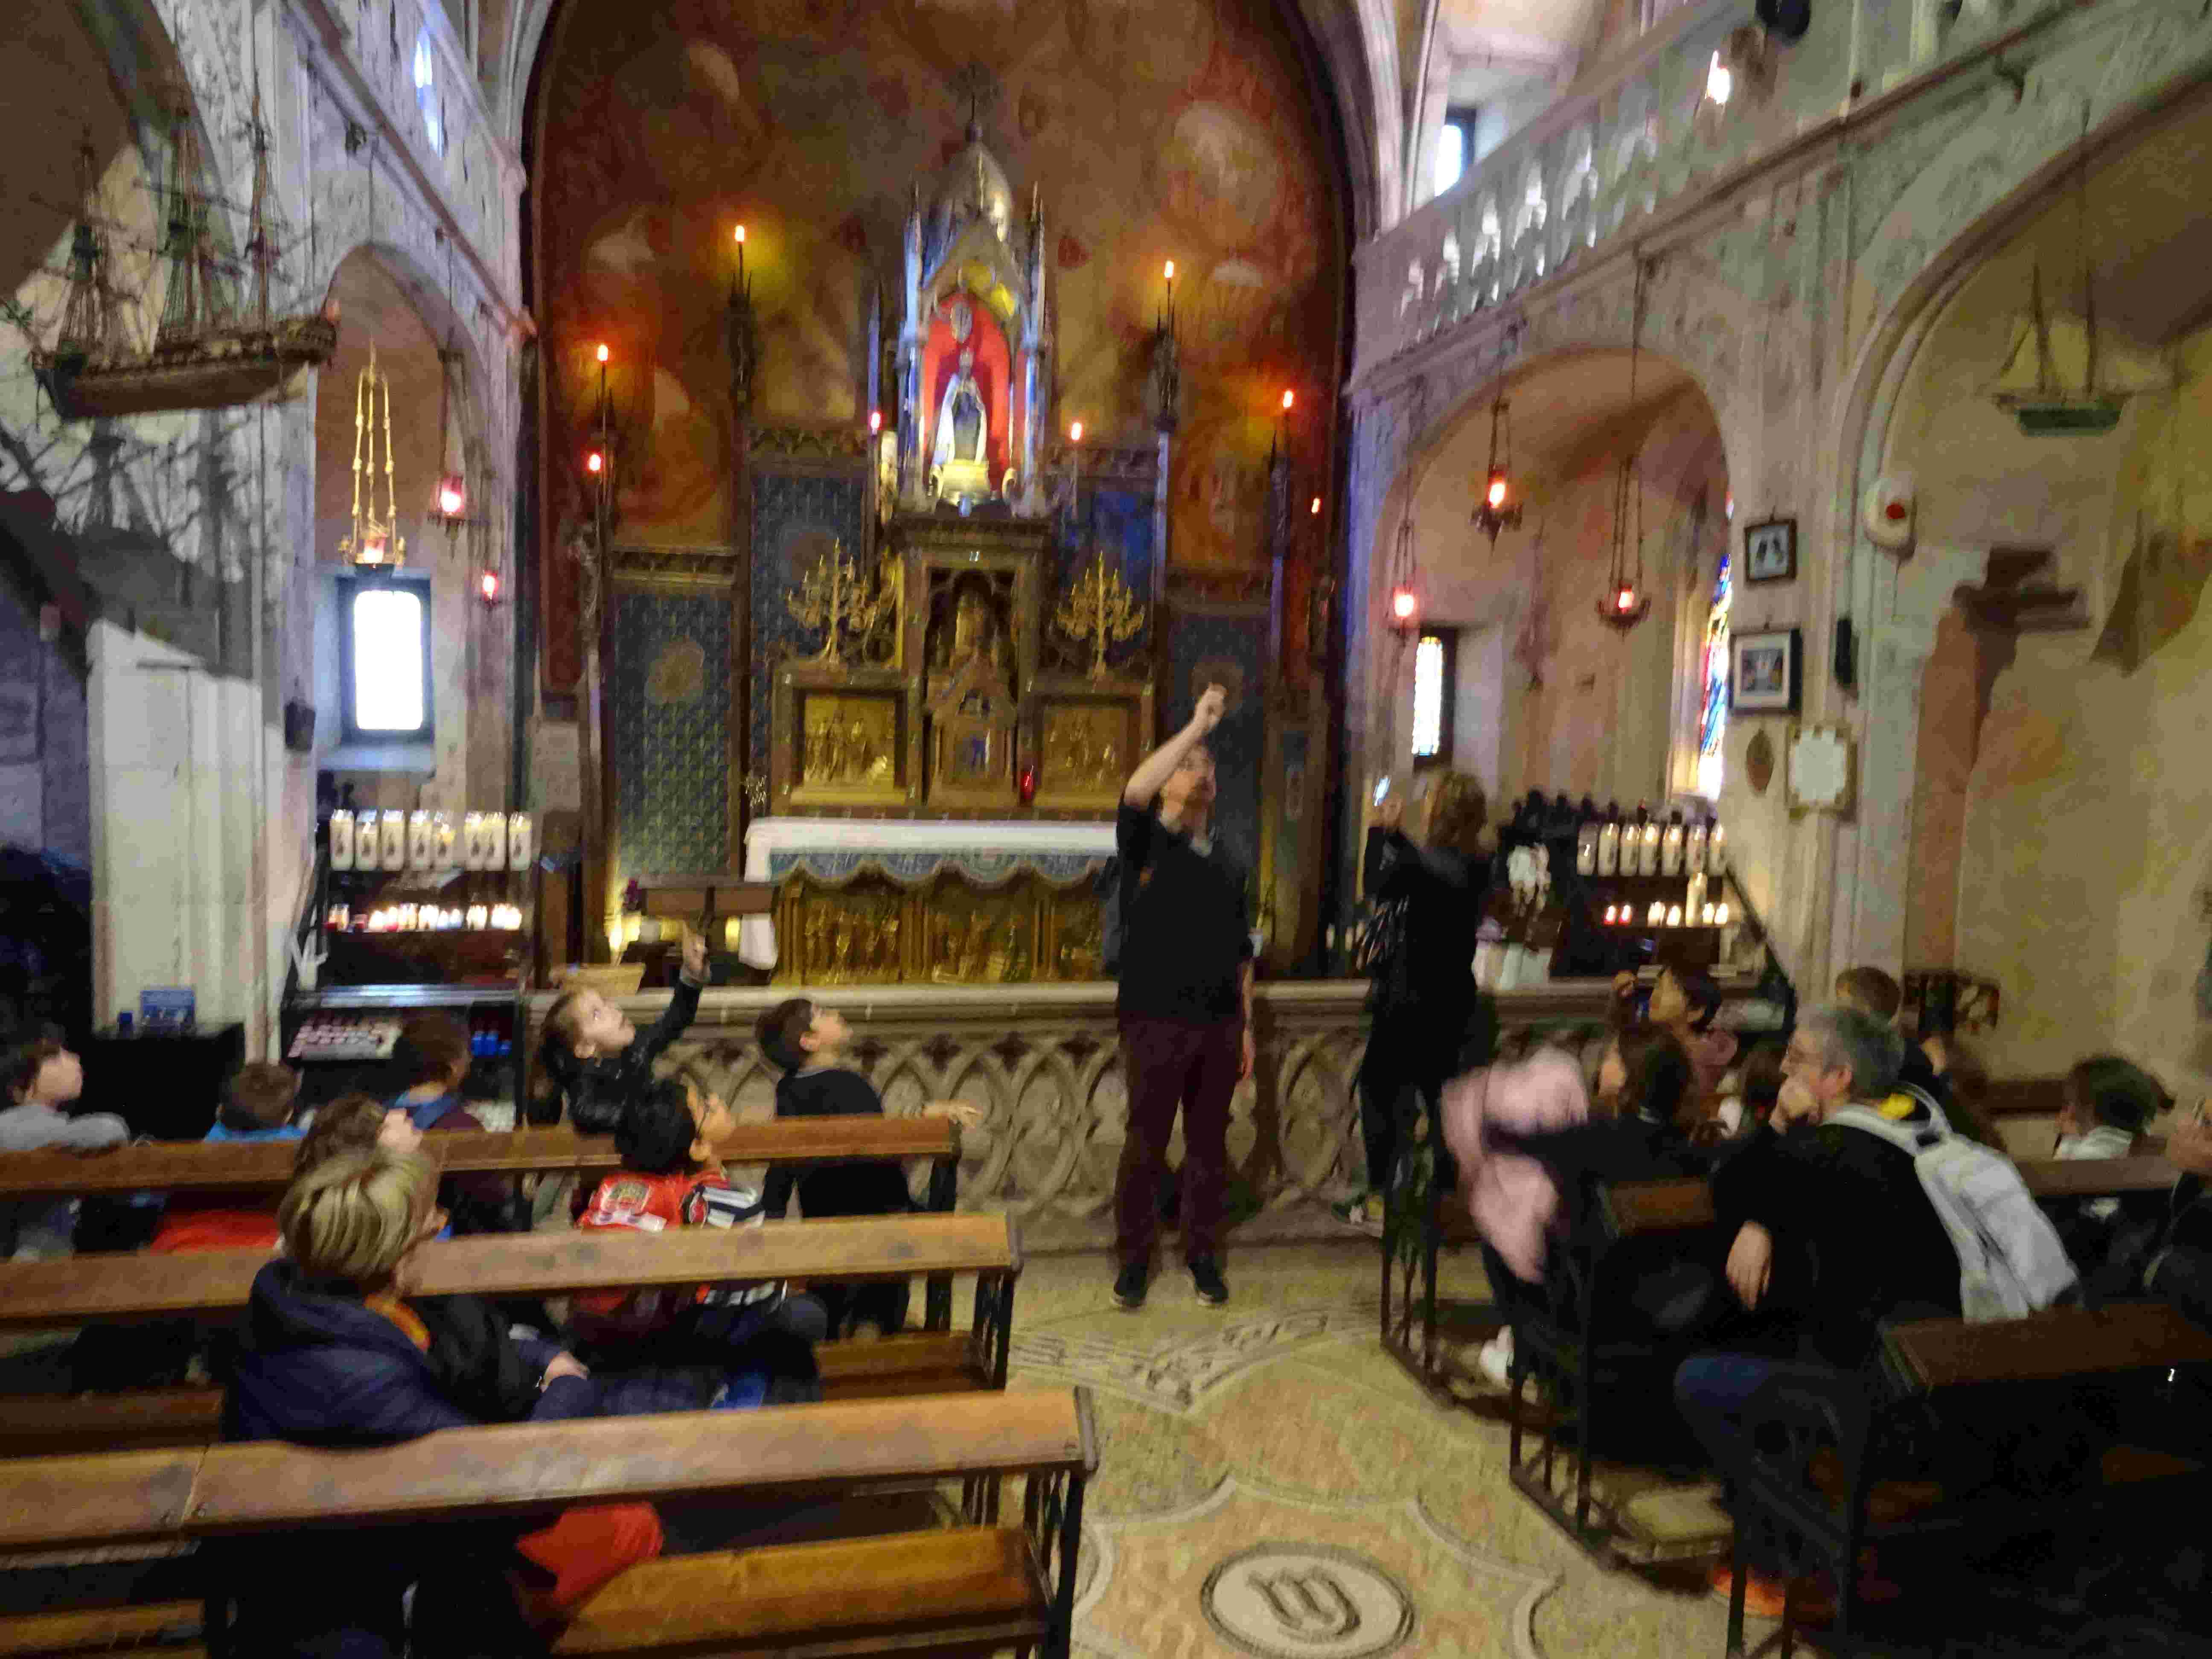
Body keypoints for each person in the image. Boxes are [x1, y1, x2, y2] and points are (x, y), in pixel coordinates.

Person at [224, 1149, 675, 1653]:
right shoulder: (358, 1381)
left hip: (396, 1528)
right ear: (394, 1255)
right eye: (429, 1222)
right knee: (631, 1525)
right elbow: (507, 1487)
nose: (441, 1224)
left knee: (622, 1512)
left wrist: (542, 1359)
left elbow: (455, 1346)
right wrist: (569, 1387)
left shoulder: (315, 1302)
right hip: (365, 1588)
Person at [1674, 1005, 1962, 1615]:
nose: (1784, 1069)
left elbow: (1725, 1189)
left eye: (1799, 1059)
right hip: (1944, 1375)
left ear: (1840, 1078)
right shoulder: (1928, 1131)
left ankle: (1787, 1555)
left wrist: (1776, 1136)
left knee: (1700, 1381)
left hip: (1865, 1391)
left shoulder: (1829, 1150)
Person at [1110, 683, 1253, 1310]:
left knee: (1207, 1150)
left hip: (1216, 1023)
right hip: (1154, 1018)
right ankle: (1134, 1261)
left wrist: (1246, 1027)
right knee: (1145, 1144)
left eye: (1207, 768)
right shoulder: (1146, 840)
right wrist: (1197, 726)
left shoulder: (1229, 861)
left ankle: (1202, 1257)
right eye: (1188, 766)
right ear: (1170, 778)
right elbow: (1134, 791)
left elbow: (1242, 953)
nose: (1200, 774)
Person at [571, 1076, 827, 1400]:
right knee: (805, 1318)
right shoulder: (721, 1201)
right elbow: (763, 1286)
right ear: (698, 1146)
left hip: (641, 1335)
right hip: (704, 1336)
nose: (717, 1100)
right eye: (707, 1105)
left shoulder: (632, 1190)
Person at [753, 997, 978, 1337]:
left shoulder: (788, 1090)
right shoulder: (848, 1084)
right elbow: (883, 1145)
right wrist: (925, 1118)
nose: (835, 1013)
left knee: (835, 1294)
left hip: (823, 1222)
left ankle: (836, 1332)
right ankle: (873, 1331)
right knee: (895, 1272)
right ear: (809, 1041)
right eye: (823, 1014)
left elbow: (781, 1168)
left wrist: (772, 1220)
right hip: (881, 1218)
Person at [1335, 771, 1496, 1237]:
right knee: (1441, 1103)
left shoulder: (1428, 867)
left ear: (1441, 811)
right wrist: (1393, 835)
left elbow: (1379, 883)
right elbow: (1420, 870)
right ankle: (1441, 1204)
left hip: (1408, 1005)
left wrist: (1379, 832)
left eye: (1431, 799)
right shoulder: (1478, 866)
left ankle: (1382, 1199)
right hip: (1454, 1005)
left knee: (1378, 1093)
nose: (1424, 804)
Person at [533, 932, 710, 1131]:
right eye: (596, 1014)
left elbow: (675, 1021)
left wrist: (691, 976)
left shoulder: (634, 1050)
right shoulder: (587, 1101)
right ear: (585, 1047)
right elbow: (632, 1120)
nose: (614, 1009)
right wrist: (668, 1108)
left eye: (606, 1002)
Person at [149, 1061, 307, 1253]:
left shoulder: (206, 1144)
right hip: (271, 1245)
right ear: (288, 1115)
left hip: (189, 1247)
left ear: (220, 1110)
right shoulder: (302, 1145)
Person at [0, 1027, 126, 1259]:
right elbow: (110, 1130)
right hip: (26, 1267)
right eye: (55, 1057)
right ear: (21, 1081)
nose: (74, 1059)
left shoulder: (57, 1126)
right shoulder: (9, 1126)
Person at [389, 1012, 519, 1235]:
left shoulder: (382, 1116)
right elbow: (491, 1203)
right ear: (453, 1066)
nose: (471, 1059)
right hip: (446, 1239)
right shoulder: (464, 1127)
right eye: (467, 1053)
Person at [2050, 1054, 2166, 1276]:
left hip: (2096, 1240)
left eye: (2070, 1103)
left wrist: (2067, 1139)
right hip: (2127, 1237)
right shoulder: (2141, 1141)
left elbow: (2059, 1179)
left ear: (2087, 1109)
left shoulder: (2089, 1152)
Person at [1618, 966, 1736, 1103]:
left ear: (1695, 1012)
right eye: (1657, 987)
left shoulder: (1697, 1070)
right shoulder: (1654, 1047)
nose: (1654, 996)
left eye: (1666, 989)